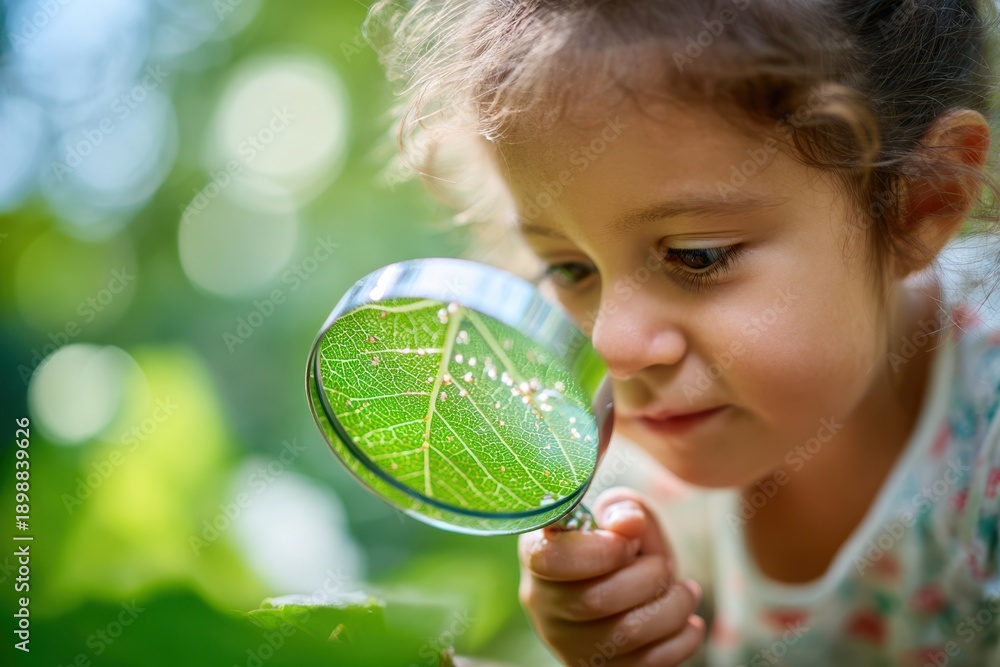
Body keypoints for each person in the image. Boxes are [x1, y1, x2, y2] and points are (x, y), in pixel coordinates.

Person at [367, 0, 1000, 663]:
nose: (613, 346)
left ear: (920, 200)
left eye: (697, 256)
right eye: (570, 268)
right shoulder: (629, 489)